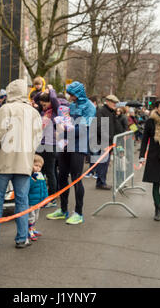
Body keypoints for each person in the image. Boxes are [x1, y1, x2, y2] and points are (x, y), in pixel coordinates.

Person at [0, 79, 43, 248]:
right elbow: (38, 138)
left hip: (3, 162)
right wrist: (29, 154)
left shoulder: (5, 109)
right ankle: (22, 237)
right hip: (24, 162)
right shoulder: (34, 112)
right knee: (22, 200)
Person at [46, 81, 96, 225]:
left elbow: (84, 127)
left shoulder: (89, 107)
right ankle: (63, 210)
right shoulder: (72, 105)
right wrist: (60, 127)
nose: (71, 97)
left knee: (76, 179)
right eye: (69, 94)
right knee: (62, 177)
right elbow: (66, 120)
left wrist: (66, 130)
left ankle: (78, 213)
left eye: (72, 94)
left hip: (79, 146)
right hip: (66, 144)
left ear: (79, 93)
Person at [33, 88, 60, 208]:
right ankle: (43, 196)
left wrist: (51, 90)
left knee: (50, 171)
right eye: (42, 104)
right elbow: (35, 98)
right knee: (40, 171)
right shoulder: (41, 112)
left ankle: (52, 198)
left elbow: (54, 99)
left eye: (45, 104)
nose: (43, 106)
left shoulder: (54, 111)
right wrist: (42, 91)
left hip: (50, 145)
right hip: (40, 144)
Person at [94, 94, 124, 190]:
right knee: (103, 163)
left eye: (116, 103)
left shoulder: (111, 112)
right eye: (113, 103)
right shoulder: (102, 111)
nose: (115, 105)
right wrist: (106, 139)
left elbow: (116, 126)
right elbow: (99, 127)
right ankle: (101, 182)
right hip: (104, 141)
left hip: (109, 141)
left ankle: (101, 181)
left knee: (105, 163)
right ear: (107, 102)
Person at [27, 154, 48, 241]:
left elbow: (44, 188)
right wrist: (32, 179)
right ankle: (29, 231)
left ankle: (32, 229)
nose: (38, 168)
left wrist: (45, 199)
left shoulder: (40, 175)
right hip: (31, 201)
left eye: (40, 166)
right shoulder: (30, 175)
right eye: (36, 165)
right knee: (31, 217)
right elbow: (28, 187)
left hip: (38, 201)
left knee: (36, 216)